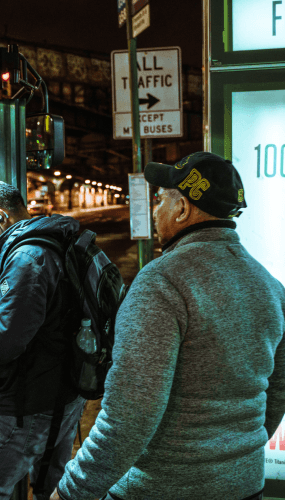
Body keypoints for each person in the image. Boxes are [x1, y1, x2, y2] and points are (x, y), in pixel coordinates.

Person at [50, 152, 285, 500]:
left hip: (161, 488)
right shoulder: (270, 287)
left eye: (160, 200)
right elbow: (277, 393)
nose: (157, 210)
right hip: (244, 486)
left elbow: (129, 416)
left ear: (182, 210)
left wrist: (72, 490)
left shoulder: (161, 283)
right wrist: (231, 455)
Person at [0, 179, 86, 500]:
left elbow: (2, 343)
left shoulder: (26, 259)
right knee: (50, 484)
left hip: (32, 405)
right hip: (64, 391)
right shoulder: (51, 241)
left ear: (1, 217)